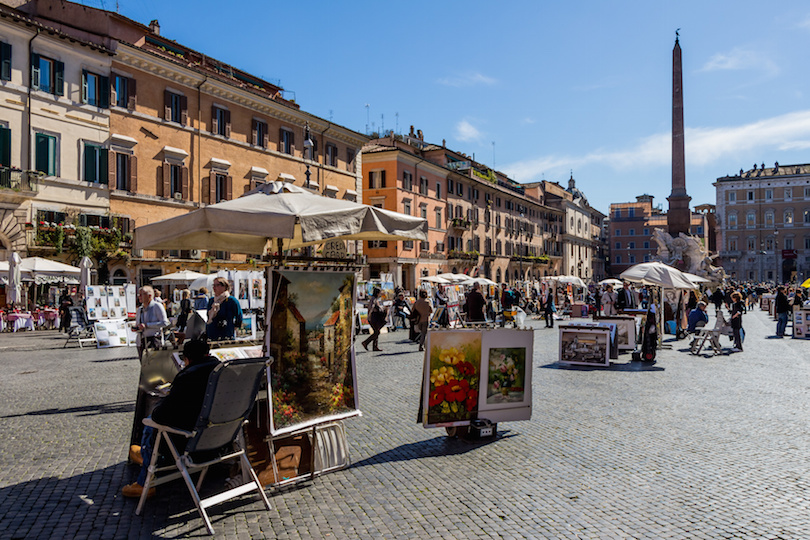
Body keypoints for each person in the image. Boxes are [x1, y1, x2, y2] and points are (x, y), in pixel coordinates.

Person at [122, 337, 220, 499]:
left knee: (150, 423)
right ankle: (146, 454)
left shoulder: (187, 376)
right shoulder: (219, 371)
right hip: (215, 434)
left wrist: (157, 411)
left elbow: (162, 415)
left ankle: (145, 481)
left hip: (187, 438)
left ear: (187, 359)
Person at [134, 286, 169, 357]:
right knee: (144, 366)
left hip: (154, 340)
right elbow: (138, 324)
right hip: (141, 342)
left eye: (141, 294)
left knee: (154, 366)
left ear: (149, 296)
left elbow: (165, 323)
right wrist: (136, 328)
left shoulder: (157, 306)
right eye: (138, 294)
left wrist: (147, 325)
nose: (139, 296)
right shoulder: (140, 309)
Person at [362, 288, 385, 352]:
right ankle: (365, 342)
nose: (380, 294)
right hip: (373, 317)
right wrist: (369, 317)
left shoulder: (375, 299)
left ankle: (375, 346)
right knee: (377, 332)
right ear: (377, 293)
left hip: (375, 317)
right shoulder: (373, 299)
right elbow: (371, 308)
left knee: (376, 331)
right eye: (380, 293)